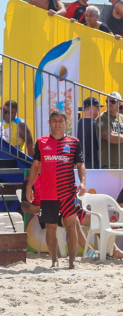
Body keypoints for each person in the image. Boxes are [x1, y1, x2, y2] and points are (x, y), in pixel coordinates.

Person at [24, 110, 86, 269]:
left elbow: (80, 165)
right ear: (49, 123)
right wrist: (30, 186)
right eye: (54, 120)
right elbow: (36, 165)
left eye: (60, 121)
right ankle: (54, 260)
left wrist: (83, 183)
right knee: (50, 228)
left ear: (66, 123)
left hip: (68, 193)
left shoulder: (74, 142)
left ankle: (72, 262)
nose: (57, 123)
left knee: (71, 226)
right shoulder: (41, 142)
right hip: (47, 193)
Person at [97, 92, 123, 169]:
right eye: (107, 101)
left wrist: (117, 136)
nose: (109, 103)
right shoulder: (102, 117)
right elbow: (110, 138)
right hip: (110, 164)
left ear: (119, 103)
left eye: (113, 101)